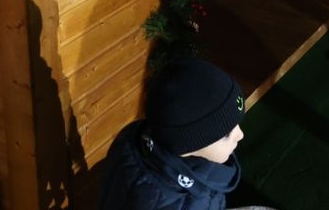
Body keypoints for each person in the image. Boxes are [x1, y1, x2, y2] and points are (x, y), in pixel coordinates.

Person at [99, 58, 246, 210]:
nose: (240, 135)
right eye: (225, 135)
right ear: (187, 146)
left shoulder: (132, 136)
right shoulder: (180, 203)